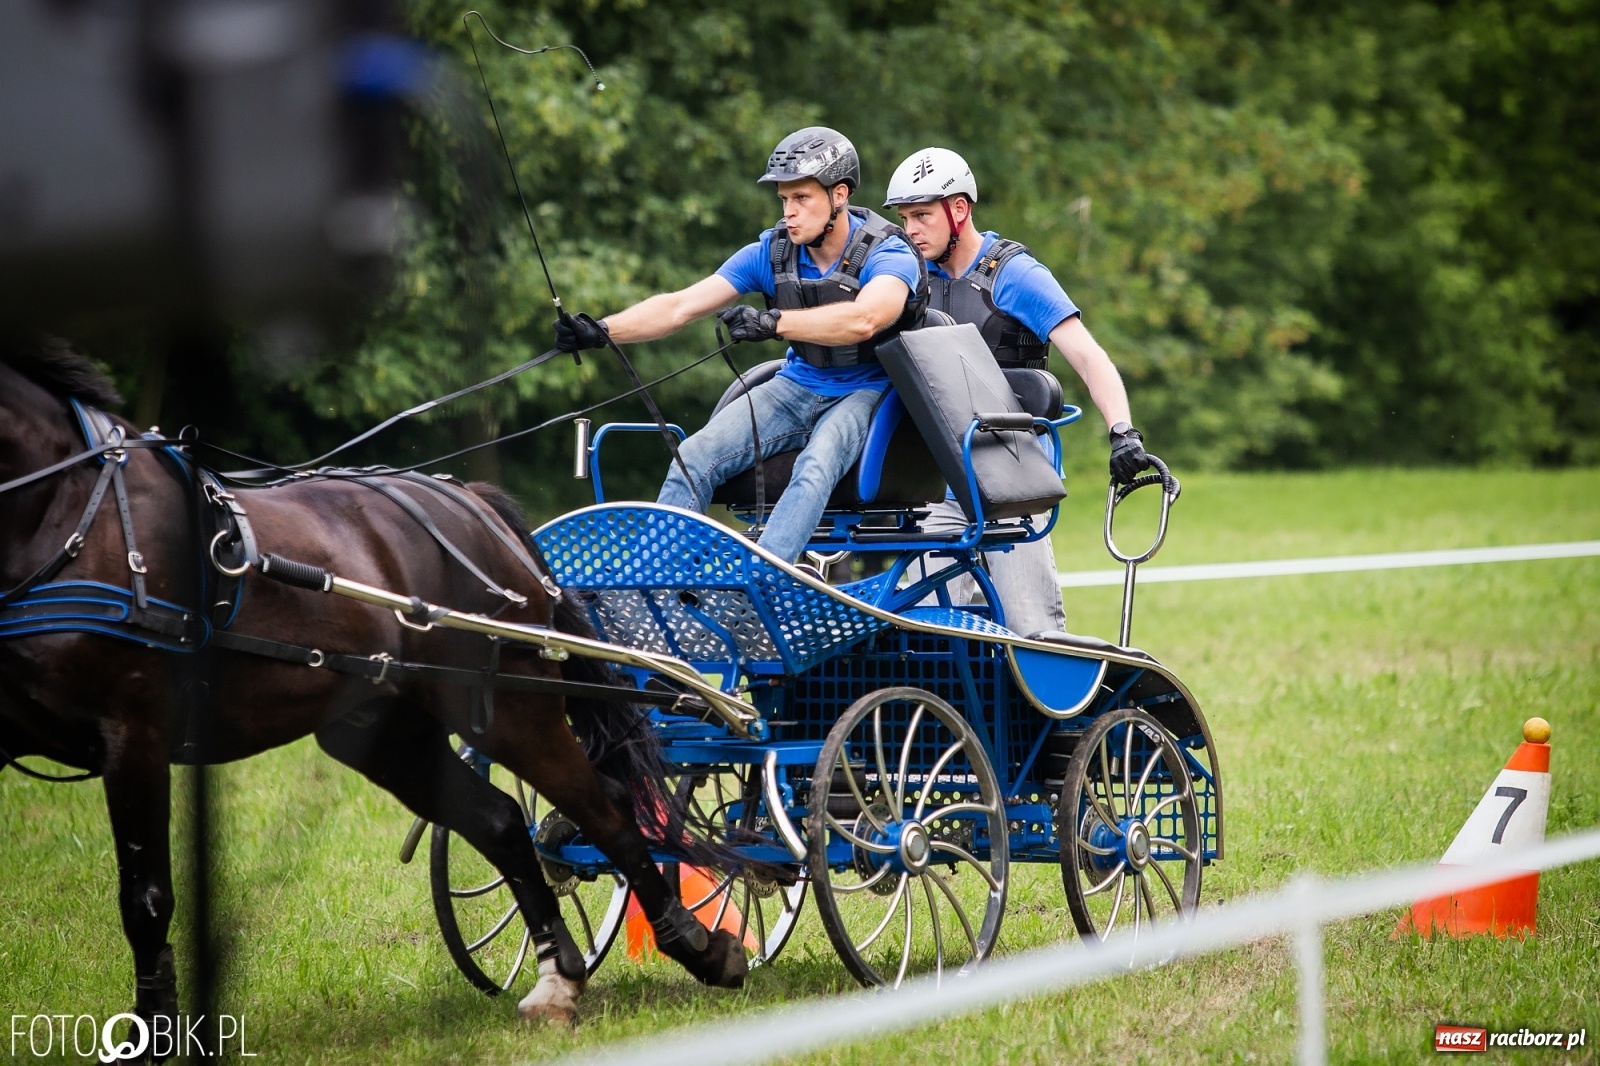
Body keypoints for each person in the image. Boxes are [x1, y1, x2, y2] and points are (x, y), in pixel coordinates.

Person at [554, 126, 927, 564]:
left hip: (869, 391)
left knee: (815, 466)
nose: (789, 212)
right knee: (693, 455)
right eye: (783, 199)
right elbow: (679, 307)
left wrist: (774, 322)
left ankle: (762, 582)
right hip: (797, 384)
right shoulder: (772, 253)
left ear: (839, 194)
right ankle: (654, 580)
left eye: (801, 198)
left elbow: (865, 319)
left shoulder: (889, 253)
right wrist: (601, 330)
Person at [883, 146, 1149, 638]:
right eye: (904, 218)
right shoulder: (907, 277)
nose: (911, 230)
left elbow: (1088, 357)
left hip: (1014, 480)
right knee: (922, 630)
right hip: (938, 483)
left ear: (958, 209)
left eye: (922, 216)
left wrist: (1122, 431)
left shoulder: (1015, 274)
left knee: (1030, 627)